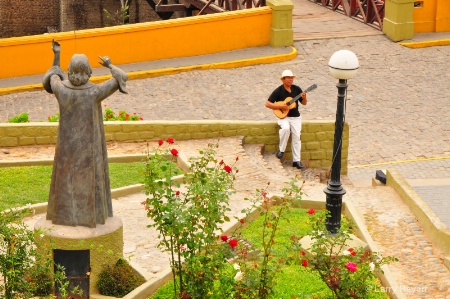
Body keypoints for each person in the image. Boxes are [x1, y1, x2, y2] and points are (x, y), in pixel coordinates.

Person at [42, 39, 128, 228]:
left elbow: (52, 76)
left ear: (70, 72)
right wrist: (109, 65)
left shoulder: (61, 89)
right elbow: (123, 76)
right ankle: (91, 218)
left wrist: (56, 55)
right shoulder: (95, 91)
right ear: (89, 72)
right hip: (89, 151)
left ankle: (63, 217)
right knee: (90, 181)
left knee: (64, 182)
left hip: (66, 152)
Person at [265, 69, 307, 169]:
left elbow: (304, 103)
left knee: (297, 137)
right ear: (283, 79)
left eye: (291, 78)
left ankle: (296, 161)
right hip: (283, 116)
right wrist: (281, 107)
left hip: (295, 117)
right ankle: (281, 150)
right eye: (288, 78)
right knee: (285, 129)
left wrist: (304, 97)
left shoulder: (297, 89)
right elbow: (268, 103)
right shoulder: (279, 90)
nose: (290, 80)